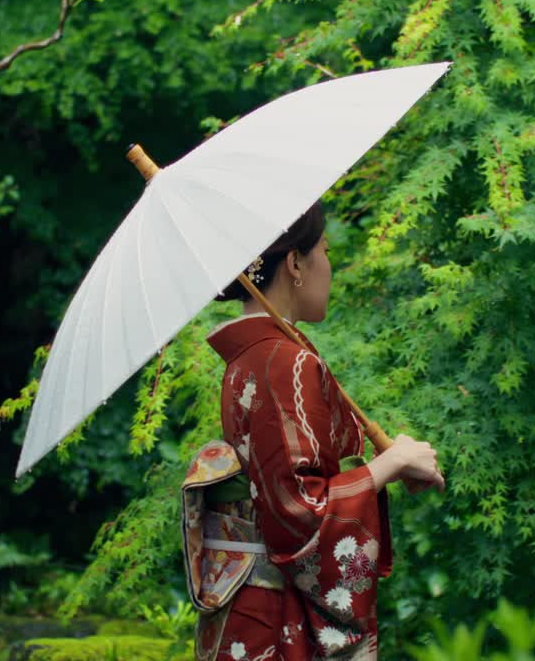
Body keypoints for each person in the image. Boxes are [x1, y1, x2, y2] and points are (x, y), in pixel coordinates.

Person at [186, 202, 445, 660]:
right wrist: (392, 462)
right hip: (275, 618)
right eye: (325, 250)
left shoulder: (253, 358)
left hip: (250, 610)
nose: (330, 266)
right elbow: (301, 510)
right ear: (295, 263)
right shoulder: (285, 361)